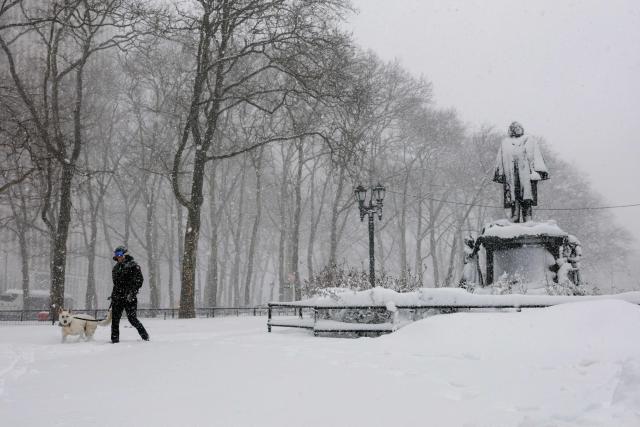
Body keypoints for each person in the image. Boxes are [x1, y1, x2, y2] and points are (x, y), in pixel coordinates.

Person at [493, 121, 549, 222]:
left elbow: (535, 156)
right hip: (511, 176)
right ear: (511, 130)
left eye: (518, 127)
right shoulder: (505, 142)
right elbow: (500, 160)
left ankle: (527, 217)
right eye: (514, 127)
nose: (517, 129)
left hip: (526, 175)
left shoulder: (529, 140)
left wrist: (538, 171)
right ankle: (515, 216)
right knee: (513, 197)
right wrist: (500, 173)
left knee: (527, 197)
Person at [109, 245, 149, 343]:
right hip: (117, 297)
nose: (118, 257)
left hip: (129, 298)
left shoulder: (133, 266)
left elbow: (139, 281)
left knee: (132, 319)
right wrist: (113, 296)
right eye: (116, 255)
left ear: (125, 254)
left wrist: (132, 293)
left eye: (120, 254)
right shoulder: (115, 268)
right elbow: (116, 285)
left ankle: (145, 336)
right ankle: (114, 340)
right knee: (115, 319)